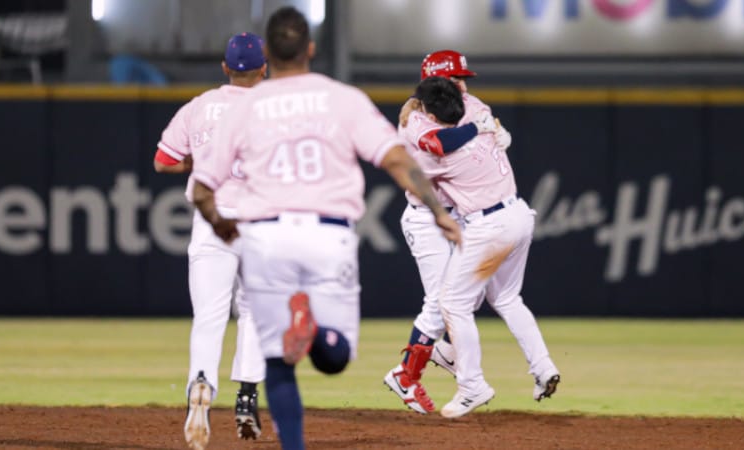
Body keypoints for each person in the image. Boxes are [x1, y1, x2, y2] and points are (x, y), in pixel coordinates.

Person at [190, 7, 461, 450]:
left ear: (268, 56)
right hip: (327, 235)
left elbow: (202, 187)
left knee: (276, 362)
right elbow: (396, 159)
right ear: (310, 49)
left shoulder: (244, 108)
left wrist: (221, 225)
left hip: (267, 237)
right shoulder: (342, 98)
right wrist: (437, 209)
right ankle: (314, 334)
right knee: (336, 358)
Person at [397, 75, 561, 419]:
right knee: (506, 298)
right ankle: (543, 367)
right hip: (518, 214)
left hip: (490, 226)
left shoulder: (444, 155)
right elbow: (473, 131)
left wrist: (411, 118)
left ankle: (472, 385)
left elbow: (431, 148)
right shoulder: (481, 128)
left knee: (452, 303)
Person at [152, 33, 268, 449]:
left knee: (209, 316)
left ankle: (199, 388)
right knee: (255, 313)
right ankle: (247, 398)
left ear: (225, 67)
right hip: (259, 224)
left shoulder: (200, 106)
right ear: (264, 68)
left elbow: (163, 160)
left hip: (211, 220)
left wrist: (196, 161)